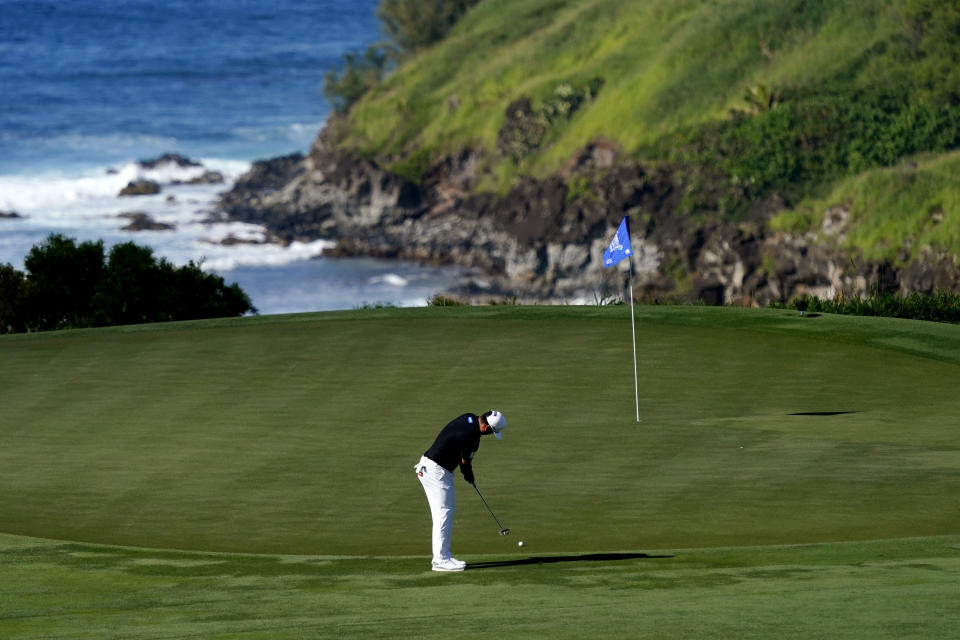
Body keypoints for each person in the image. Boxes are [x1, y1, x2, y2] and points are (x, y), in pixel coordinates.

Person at [414, 409, 507, 572]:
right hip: (436, 472)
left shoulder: (469, 417)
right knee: (444, 512)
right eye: (492, 432)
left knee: (443, 512)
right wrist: (470, 477)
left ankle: (443, 557)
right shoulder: (472, 437)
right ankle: (441, 560)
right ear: (486, 428)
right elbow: (465, 463)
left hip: (427, 466)